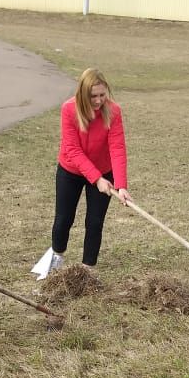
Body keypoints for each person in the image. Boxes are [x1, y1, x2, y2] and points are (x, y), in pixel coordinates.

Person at [45, 68, 130, 272]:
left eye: (102, 95)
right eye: (93, 96)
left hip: (104, 171)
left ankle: (87, 270)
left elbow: (117, 148)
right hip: (71, 170)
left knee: (94, 222)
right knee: (64, 218)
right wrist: (96, 179)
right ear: (83, 93)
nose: (99, 101)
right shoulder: (69, 109)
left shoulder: (113, 111)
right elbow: (72, 149)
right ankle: (56, 257)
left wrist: (121, 185)